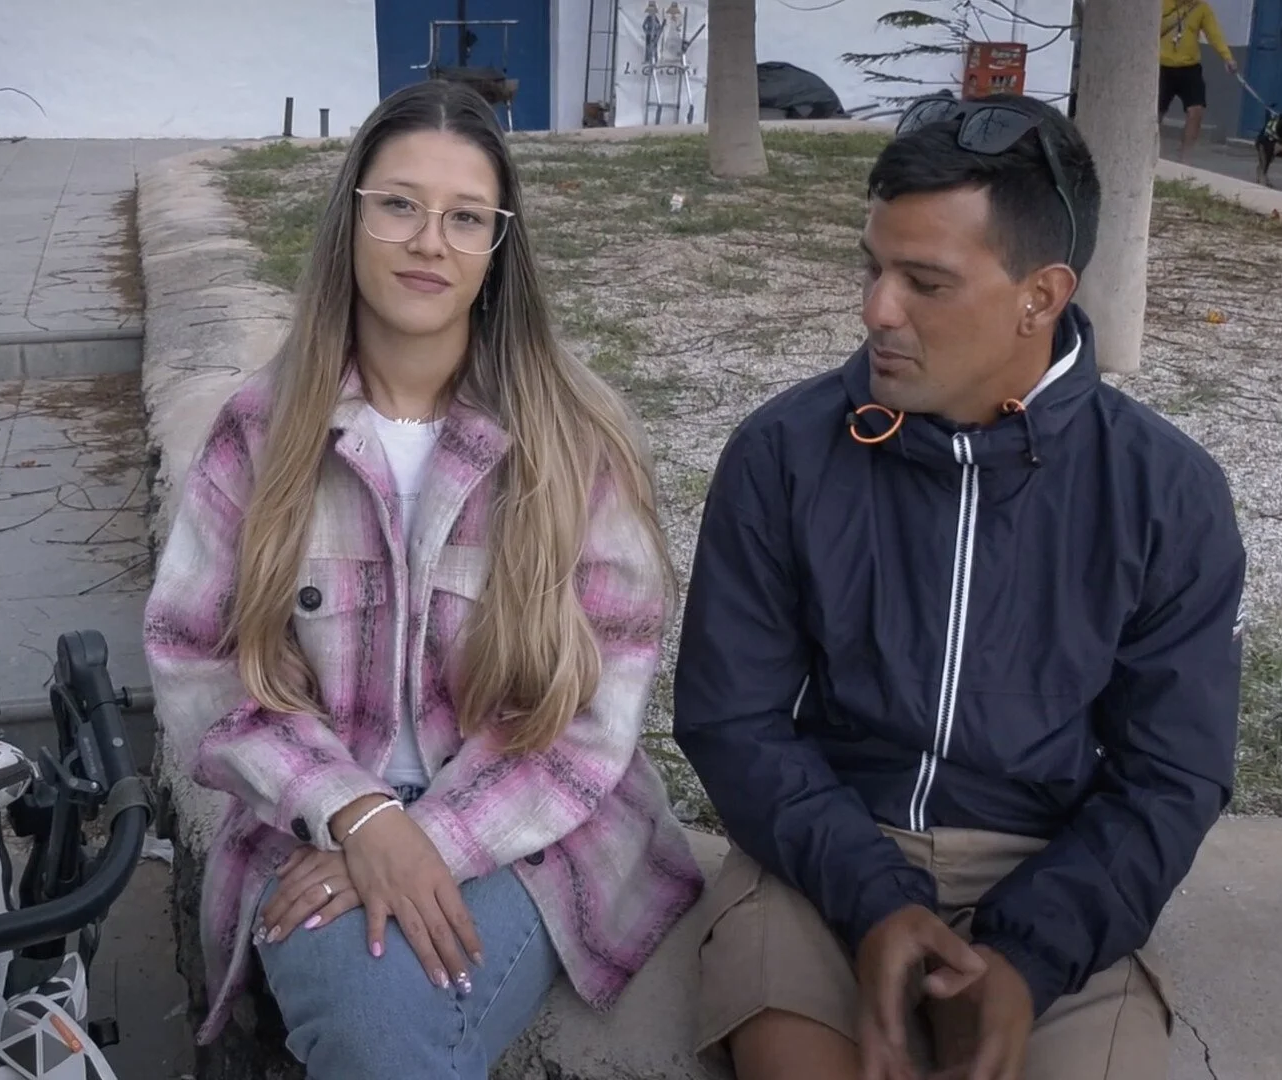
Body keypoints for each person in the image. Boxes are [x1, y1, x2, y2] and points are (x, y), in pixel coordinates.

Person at [671, 92, 1244, 1080]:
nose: (874, 310)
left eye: (922, 281)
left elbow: (1169, 776)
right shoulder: (784, 453)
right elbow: (732, 719)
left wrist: (1029, 955)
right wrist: (873, 896)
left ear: (1041, 293)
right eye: (872, 266)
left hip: (1054, 874)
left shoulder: (1165, 494)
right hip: (820, 853)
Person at [143, 79, 703, 1078]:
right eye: (399, 204)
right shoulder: (261, 434)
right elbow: (200, 663)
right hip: (313, 821)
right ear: (350, 218)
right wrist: (357, 814)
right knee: (362, 995)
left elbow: (596, 711)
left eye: (465, 217)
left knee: (375, 1018)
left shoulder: (572, 440)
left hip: (530, 828)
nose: (428, 240)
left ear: (498, 247)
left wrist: (427, 838)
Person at [1160, 0, 1239, 164]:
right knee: (1155, 113)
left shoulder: (1201, 7)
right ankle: (1147, 150)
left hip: (1189, 68)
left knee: (1196, 111)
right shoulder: (1162, 3)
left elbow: (1214, 34)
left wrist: (1227, 58)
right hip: (1162, 67)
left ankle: (1185, 158)